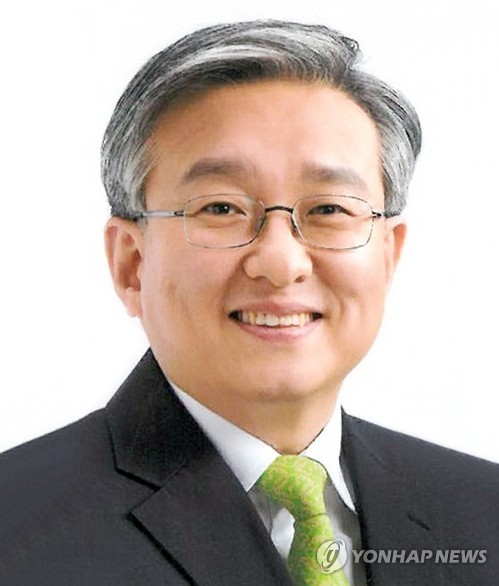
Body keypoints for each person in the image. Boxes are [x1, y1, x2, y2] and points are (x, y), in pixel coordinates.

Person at [0, 19, 497, 586]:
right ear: (131, 263)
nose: (281, 262)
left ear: (388, 256)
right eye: (221, 208)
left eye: (329, 209)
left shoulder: (484, 512)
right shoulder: (16, 530)